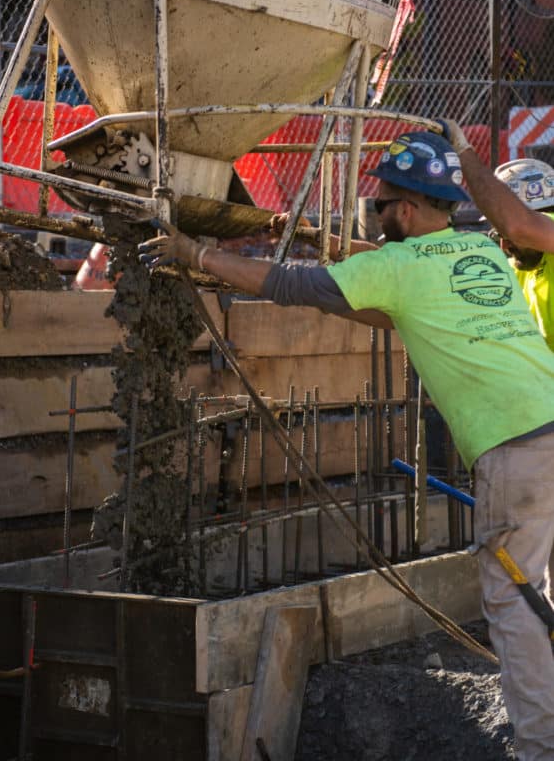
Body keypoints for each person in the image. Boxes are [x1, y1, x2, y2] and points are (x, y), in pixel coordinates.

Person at [139, 129, 554, 761]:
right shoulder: (478, 254)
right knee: (543, 587)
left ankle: (540, 748)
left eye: (382, 202)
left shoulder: (395, 265)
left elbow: (293, 286)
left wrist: (198, 257)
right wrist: (327, 260)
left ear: (407, 210)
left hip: (513, 452)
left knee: (512, 603)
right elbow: (388, 311)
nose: (376, 210)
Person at [439, 119, 554, 352]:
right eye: (498, 233)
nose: (503, 245)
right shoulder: (518, 266)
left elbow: (518, 226)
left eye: (507, 235)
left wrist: (462, 151)